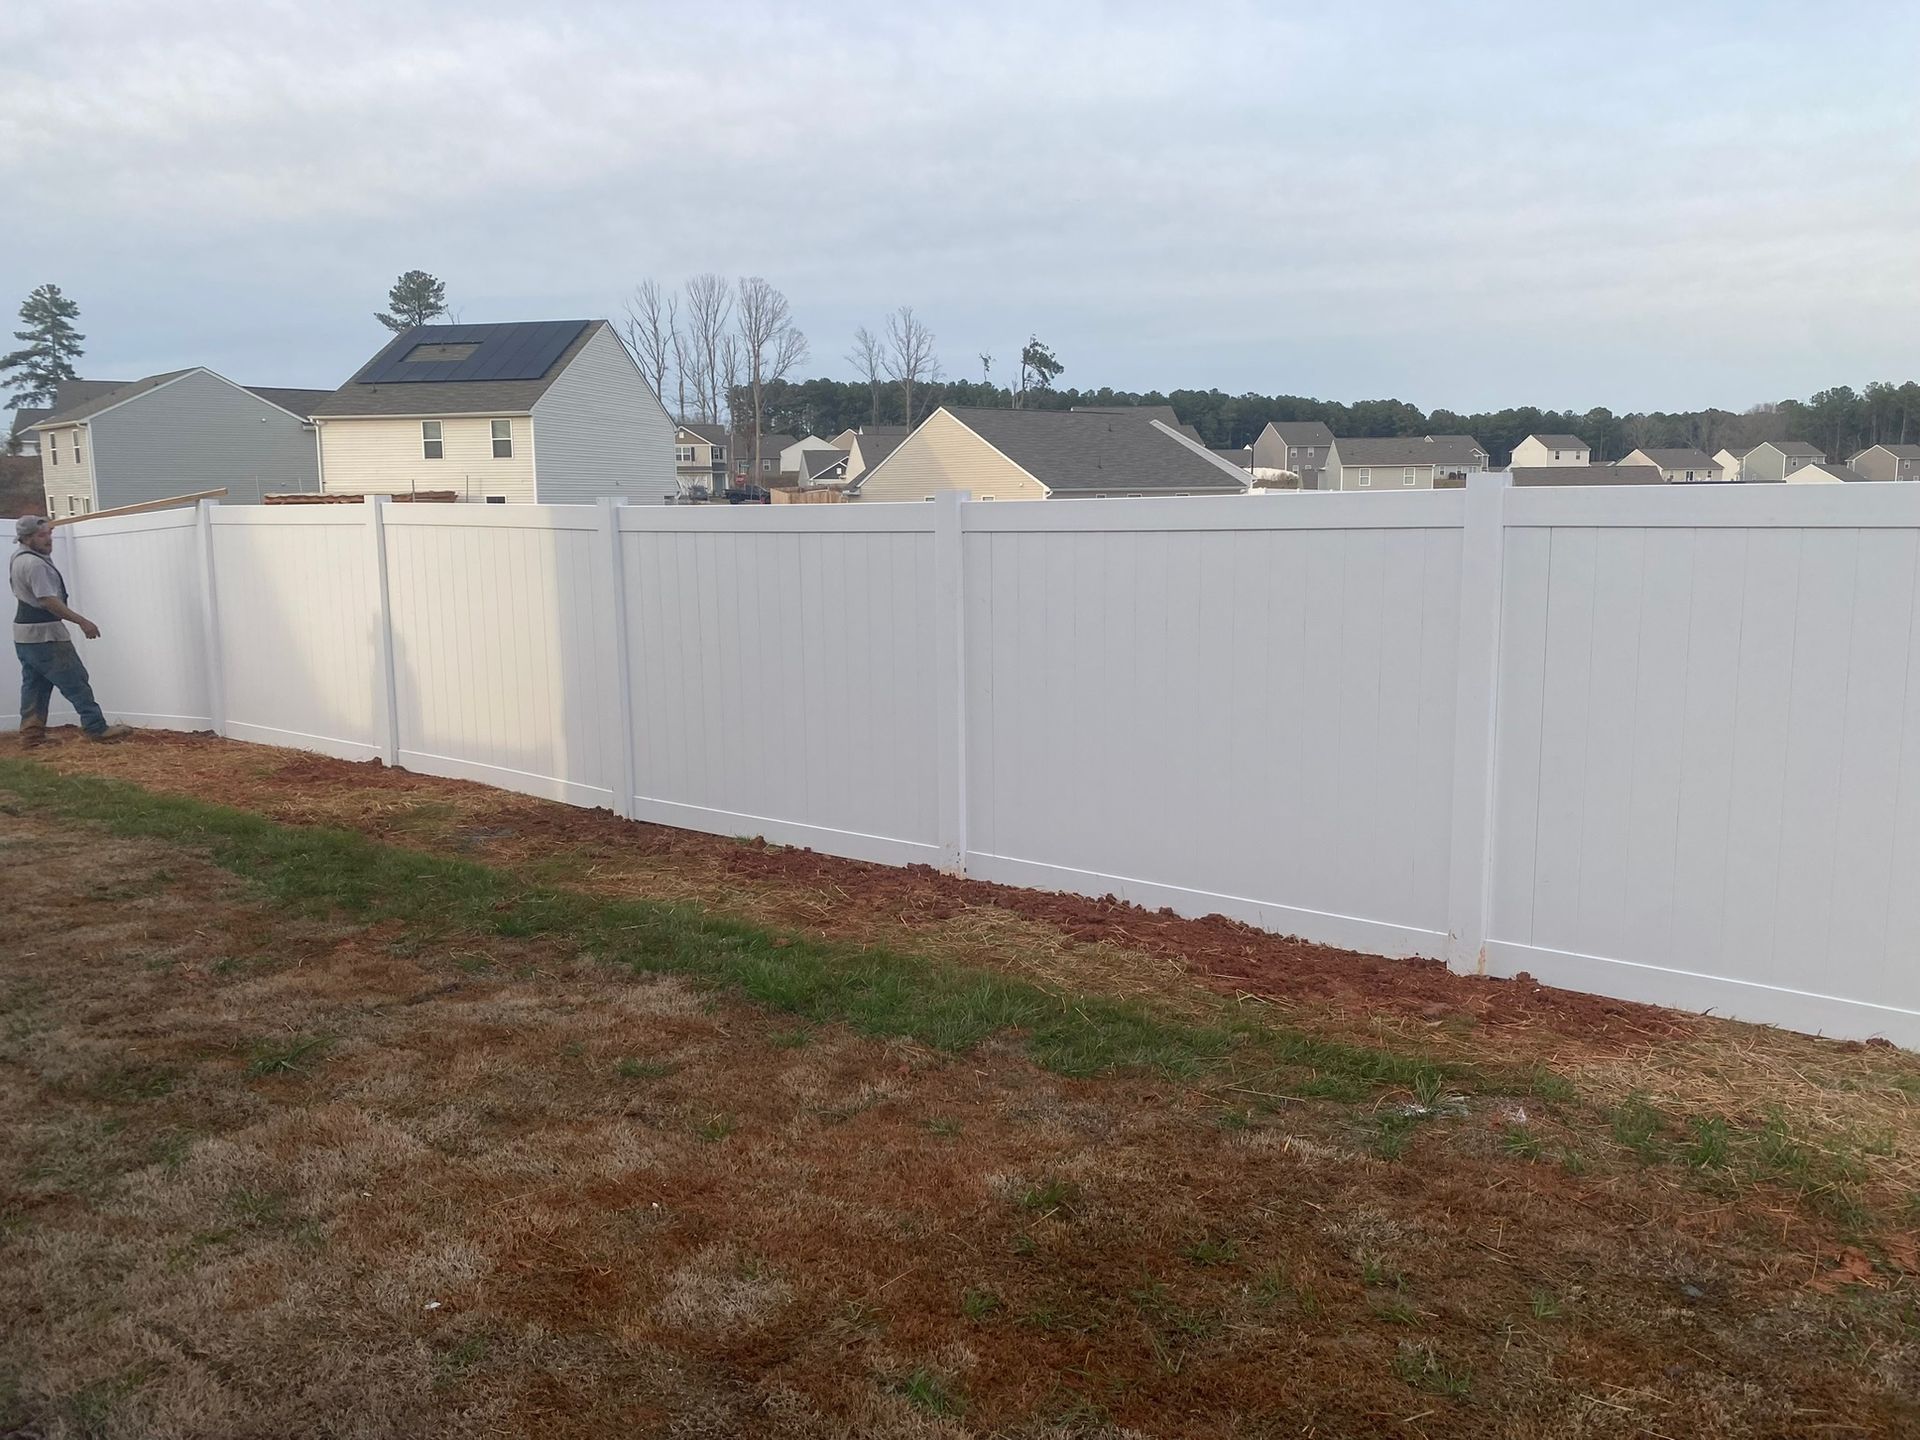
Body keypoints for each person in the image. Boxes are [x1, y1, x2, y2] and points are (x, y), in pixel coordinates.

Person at [11, 515, 130, 747]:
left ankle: (31, 736)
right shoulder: (35, 564)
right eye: (41, 535)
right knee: (75, 680)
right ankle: (96, 728)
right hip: (46, 635)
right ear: (26, 538)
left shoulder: (19, 558)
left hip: (25, 636)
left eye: (49, 534)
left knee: (35, 684)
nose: (48, 539)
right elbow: (48, 601)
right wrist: (82, 621)